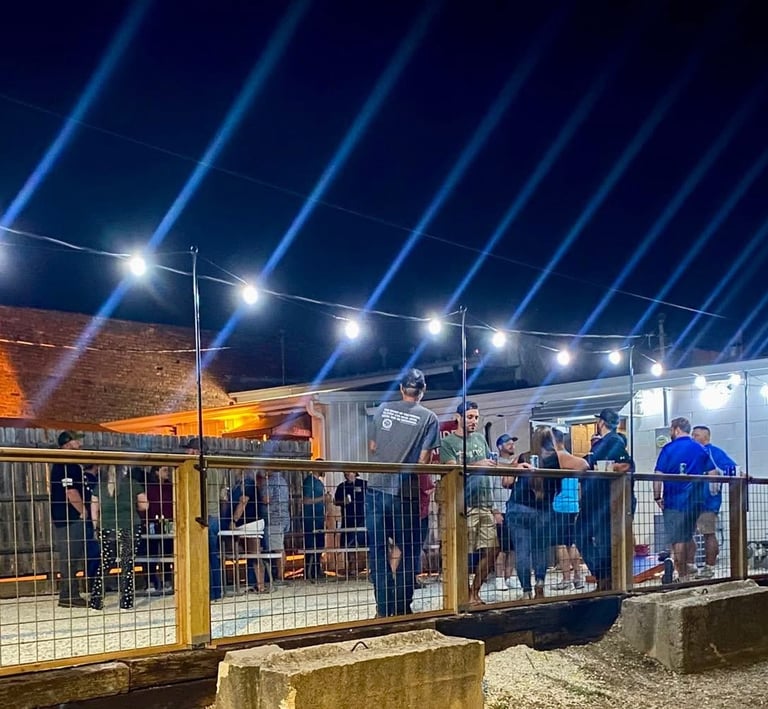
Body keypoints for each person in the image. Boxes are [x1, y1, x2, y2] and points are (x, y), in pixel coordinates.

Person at [367, 368, 439, 617]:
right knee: (408, 550)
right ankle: (401, 608)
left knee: (377, 550)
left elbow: (373, 446)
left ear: (401, 389)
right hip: (405, 492)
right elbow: (423, 460)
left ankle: (383, 609)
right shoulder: (429, 418)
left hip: (375, 487)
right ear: (423, 390)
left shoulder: (382, 409)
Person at [503, 426, 585, 598]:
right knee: (540, 549)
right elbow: (584, 465)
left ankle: (526, 591)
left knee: (522, 550)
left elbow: (506, 482)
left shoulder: (523, 457)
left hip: (518, 507)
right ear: (552, 440)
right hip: (543, 511)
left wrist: (516, 468)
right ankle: (540, 585)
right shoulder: (559, 458)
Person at [440, 401, 498, 606]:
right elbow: (452, 470)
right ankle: (463, 593)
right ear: (458, 418)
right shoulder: (448, 443)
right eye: (470, 416)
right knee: (464, 551)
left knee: (492, 549)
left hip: (484, 501)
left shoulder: (480, 439)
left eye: (476, 417)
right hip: (464, 504)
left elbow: (491, 464)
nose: (474, 421)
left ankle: (475, 591)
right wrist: (477, 465)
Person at [653, 417, 717, 582]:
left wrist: (657, 496)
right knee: (688, 535)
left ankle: (682, 576)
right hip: (696, 501)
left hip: (673, 501)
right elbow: (713, 473)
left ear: (676, 429)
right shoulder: (700, 449)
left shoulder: (668, 449)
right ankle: (690, 568)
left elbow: (658, 475)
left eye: (670, 430)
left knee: (678, 539)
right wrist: (712, 493)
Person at [576, 408, 631, 591]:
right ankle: (603, 577)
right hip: (594, 500)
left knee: (598, 540)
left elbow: (626, 465)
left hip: (601, 500)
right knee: (587, 537)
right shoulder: (603, 443)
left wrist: (607, 469)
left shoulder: (614, 440)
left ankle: (605, 578)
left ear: (601, 422)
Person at [89, 466, 149, 610]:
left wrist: (96, 527)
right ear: (124, 471)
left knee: (105, 563)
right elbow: (144, 505)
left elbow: (94, 510)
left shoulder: (100, 487)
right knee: (126, 564)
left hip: (107, 527)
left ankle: (96, 601)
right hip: (129, 526)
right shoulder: (133, 484)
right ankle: (126, 602)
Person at [50, 431, 92, 608]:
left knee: (71, 556)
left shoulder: (66, 464)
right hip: (70, 517)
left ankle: (69, 594)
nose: (80, 444)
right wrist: (83, 511)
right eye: (77, 440)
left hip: (66, 517)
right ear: (67, 444)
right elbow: (71, 491)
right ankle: (69, 595)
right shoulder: (68, 464)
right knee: (70, 556)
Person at [691, 425, 737, 578]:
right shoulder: (691, 453)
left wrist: (744, 475)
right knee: (686, 535)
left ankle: (709, 568)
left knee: (708, 534)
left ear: (706, 437)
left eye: (696, 435)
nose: (693, 438)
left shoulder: (714, 453)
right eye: (692, 435)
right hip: (688, 501)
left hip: (707, 502)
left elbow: (733, 468)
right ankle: (689, 566)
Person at [551, 428, 584, 591]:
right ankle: (578, 577)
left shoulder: (558, 459)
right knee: (572, 542)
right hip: (574, 505)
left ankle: (566, 579)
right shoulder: (573, 459)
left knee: (560, 543)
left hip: (559, 505)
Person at [231, 470, 267, 592]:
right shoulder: (244, 484)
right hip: (250, 523)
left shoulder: (248, 484)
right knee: (252, 554)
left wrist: (234, 520)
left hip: (250, 524)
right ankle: (257, 583)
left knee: (254, 554)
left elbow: (243, 502)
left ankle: (261, 584)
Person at [491, 434, 519, 591]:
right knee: (502, 547)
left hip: (514, 510)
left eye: (512, 443)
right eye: (508, 443)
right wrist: (495, 510)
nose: (512, 445)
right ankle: (500, 577)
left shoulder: (517, 465)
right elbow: (491, 489)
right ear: (500, 446)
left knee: (513, 547)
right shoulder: (494, 465)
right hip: (501, 510)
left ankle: (510, 575)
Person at [145, 465, 175, 594]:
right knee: (152, 551)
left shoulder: (171, 486)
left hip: (169, 521)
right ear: (156, 472)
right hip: (153, 521)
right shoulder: (150, 487)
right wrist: (145, 520)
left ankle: (168, 579)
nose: (167, 473)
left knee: (168, 550)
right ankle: (151, 581)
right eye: (164, 470)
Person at [334, 472, 368, 576]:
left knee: (368, 543)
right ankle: (352, 568)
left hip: (363, 519)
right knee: (349, 544)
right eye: (345, 472)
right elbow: (335, 501)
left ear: (355, 473)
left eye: (349, 472)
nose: (347, 474)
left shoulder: (364, 484)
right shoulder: (341, 486)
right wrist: (342, 502)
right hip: (348, 519)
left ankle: (369, 567)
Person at [265, 470, 291, 583]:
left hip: (275, 518)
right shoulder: (283, 481)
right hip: (284, 517)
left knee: (278, 549)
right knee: (280, 546)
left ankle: (280, 577)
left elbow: (266, 499)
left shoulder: (271, 481)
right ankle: (280, 575)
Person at [302, 466, 327, 583]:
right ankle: (309, 571)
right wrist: (322, 498)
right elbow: (306, 500)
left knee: (320, 544)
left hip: (319, 518)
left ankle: (317, 569)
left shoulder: (319, 483)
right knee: (311, 545)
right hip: (310, 519)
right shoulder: (309, 481)